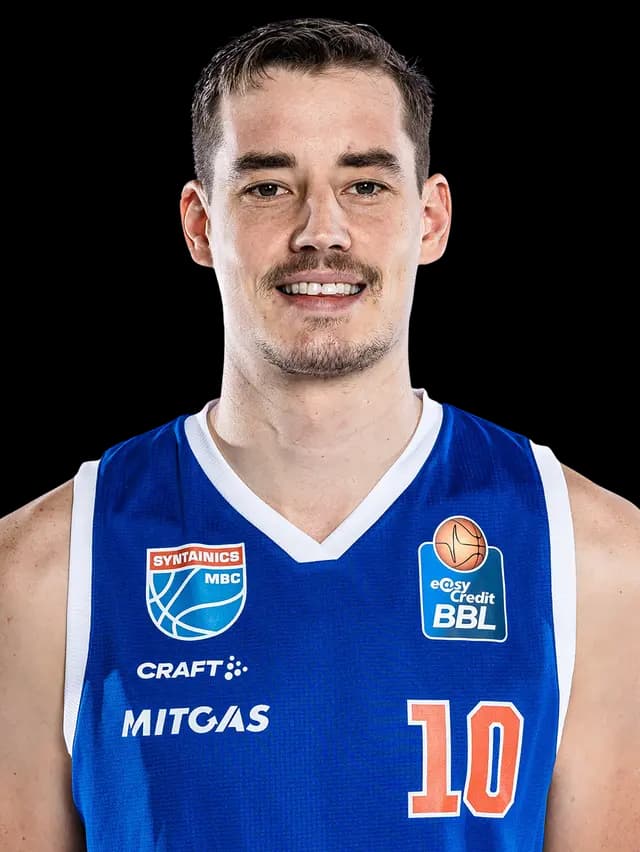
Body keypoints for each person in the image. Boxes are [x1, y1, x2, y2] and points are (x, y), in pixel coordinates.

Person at [1, 16, 637, 852]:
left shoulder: (595, 557)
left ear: (431, 219)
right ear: (199, 224)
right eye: (269, 187)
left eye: (365, 185)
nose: (321, 232)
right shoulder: (41, 572)